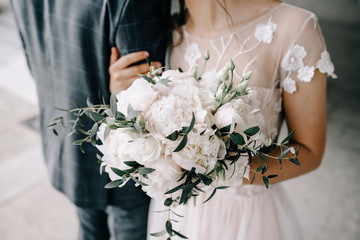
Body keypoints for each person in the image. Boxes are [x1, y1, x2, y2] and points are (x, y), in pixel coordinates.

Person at [109, 0, 336, 239]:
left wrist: (214, 169)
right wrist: (126, 97)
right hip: (175, 218)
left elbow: (309, 151)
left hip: (246, 220)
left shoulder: (293, 27)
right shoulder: (164, 33)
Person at [9, 0, 170, 239]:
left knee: (88, 230)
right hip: (124, 165)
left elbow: (34, 61)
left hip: (67, 149)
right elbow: (148, 96)